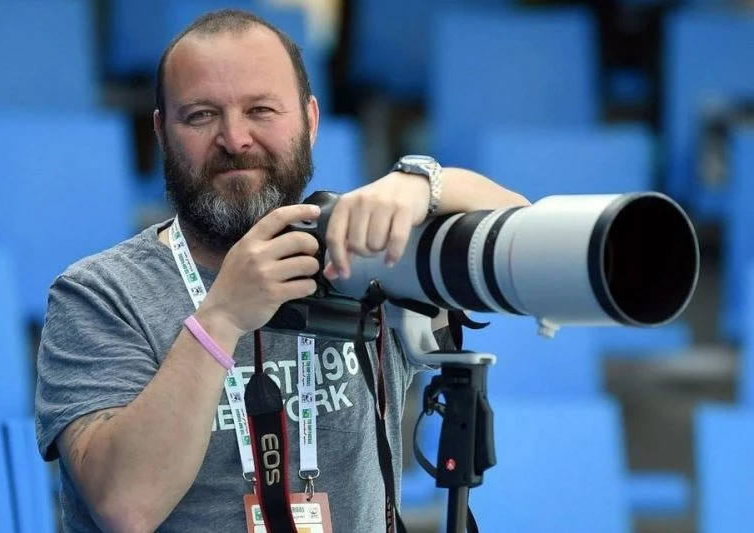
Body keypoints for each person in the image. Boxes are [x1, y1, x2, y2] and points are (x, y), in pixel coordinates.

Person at [34, 8, 529, 533]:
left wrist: (425, 184)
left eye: (262, 110)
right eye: (201, 115)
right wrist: (221, 318)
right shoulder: (99, 293)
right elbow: (125, 505)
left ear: (311, 121)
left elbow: (526, 247)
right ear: (161, 132)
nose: (235, 138)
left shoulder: (360, 259)